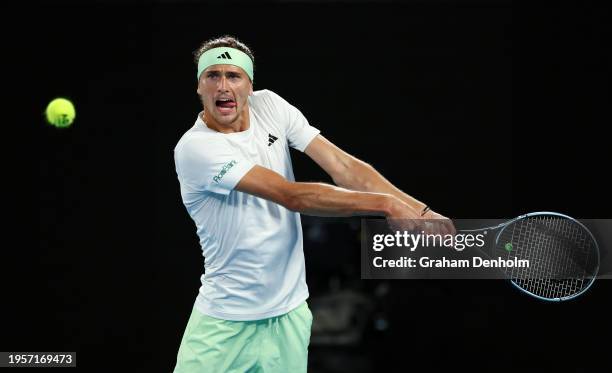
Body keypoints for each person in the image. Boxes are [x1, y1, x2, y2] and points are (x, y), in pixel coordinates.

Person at [172, 35, 454, 373]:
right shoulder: (196, 149)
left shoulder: (271, 106)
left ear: (249, 85)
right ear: (199, 87)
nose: (223, 86)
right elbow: (292, 196)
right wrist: (387, 205)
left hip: (289, 317)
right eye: (212, 76)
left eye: (233, 76)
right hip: (224, 326)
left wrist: (420, 210)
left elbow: (343, 166)